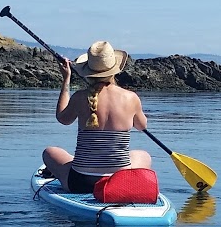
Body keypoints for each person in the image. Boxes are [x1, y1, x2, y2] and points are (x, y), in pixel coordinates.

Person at [42, 40, 152, 193]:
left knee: (49, 152)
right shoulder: (131, 98)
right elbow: (142, 126)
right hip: (118, 183)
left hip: (81, 182)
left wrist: (66, 79)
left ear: (88, 71)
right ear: (115, 70)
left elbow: (63, 118)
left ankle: (75, 167)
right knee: (143, 155)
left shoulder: (79, 97)